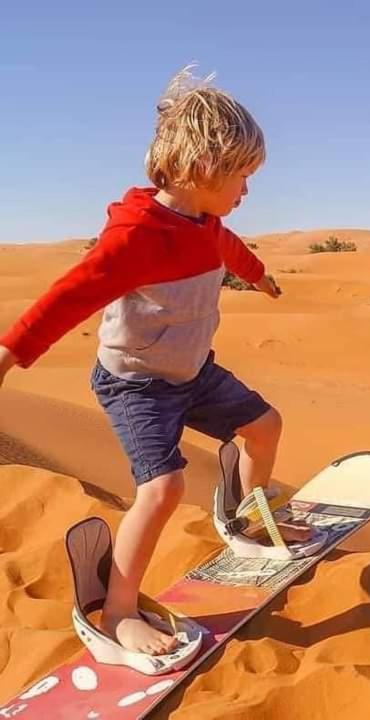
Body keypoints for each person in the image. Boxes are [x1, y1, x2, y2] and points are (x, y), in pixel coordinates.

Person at [0, 66, 315, 657]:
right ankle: (116, 614)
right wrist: (9, 355)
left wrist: (262, 277)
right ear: (202, 170)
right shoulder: (136, 238)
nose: (246, 191)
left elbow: (233, 251)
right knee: (163, 486)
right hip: (136, 384)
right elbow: (68, 297)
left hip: (192, 371)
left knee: (265, 426)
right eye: (240, 176)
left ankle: (246, 520)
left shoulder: (207, 225)